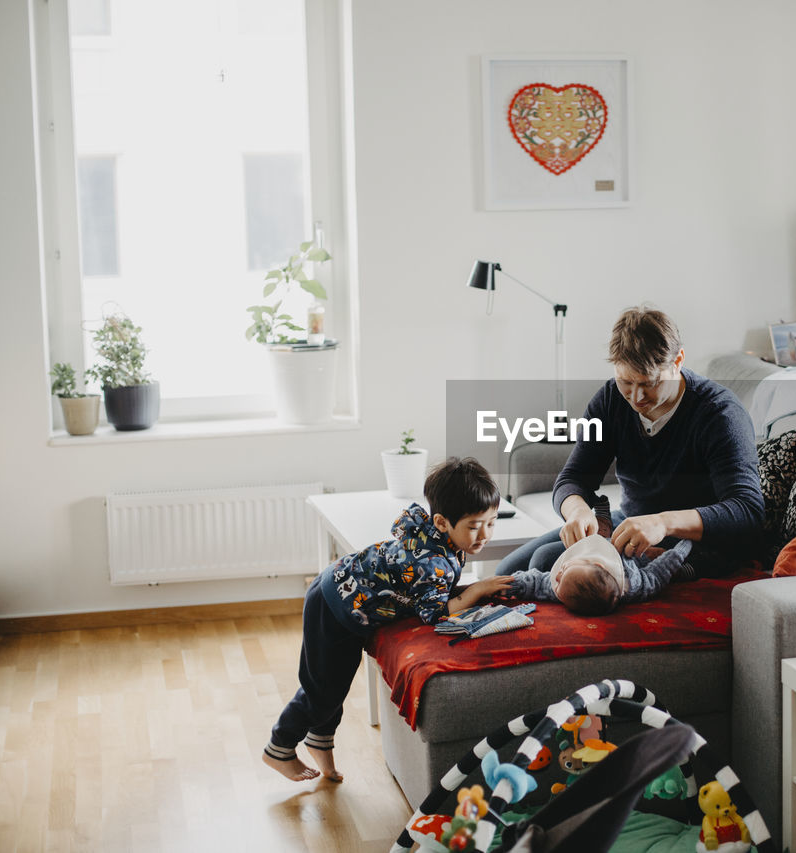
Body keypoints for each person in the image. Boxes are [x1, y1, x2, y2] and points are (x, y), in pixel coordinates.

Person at [263, 457, 514, 783]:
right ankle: (278, 747)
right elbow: (433, 614)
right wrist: (478, 588)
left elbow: (432, 592)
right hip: (334, 605)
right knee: (321, 689)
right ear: (441, 522)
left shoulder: (442, 542)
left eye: (491, 523)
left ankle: (319, 742)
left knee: (334, 684)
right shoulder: (433, 562)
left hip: (352, 606)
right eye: (474, 526)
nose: (484, 535)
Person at [496, 306, 763, 580]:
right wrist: (576, 510)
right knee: (506, 571)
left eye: (649, 383)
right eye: (625, 381)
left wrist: (662, 523)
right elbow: (573, 477)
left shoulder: (719, 414)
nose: (636, 397)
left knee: (543, 562)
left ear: (678, 360)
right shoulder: (612, 399)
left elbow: (747, 512)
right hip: (631, 521)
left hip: (694, 541)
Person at [506, 505, 695, 616]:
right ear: (597, 565)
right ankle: (603, 519)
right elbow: (659, 573)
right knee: (668, 567)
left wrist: (513, 584)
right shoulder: (636, 584)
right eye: (564, 573)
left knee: (536, 561)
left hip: (600, 544)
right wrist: (682, 548)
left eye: (559, 578)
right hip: (631, 553)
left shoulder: (560, 588)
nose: (558, 573)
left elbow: (537, 583)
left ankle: (601, 519)